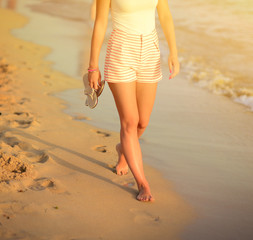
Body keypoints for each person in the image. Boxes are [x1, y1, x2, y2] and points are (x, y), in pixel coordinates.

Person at [87, 0, 179, 202]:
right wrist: (93, 66)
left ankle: (123, 149)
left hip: (150, 50)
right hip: (121, 50)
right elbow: (101, 22)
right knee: (129, 121)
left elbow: (165, 15)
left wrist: (173, 51)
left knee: (142, 122)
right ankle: (143, 184)